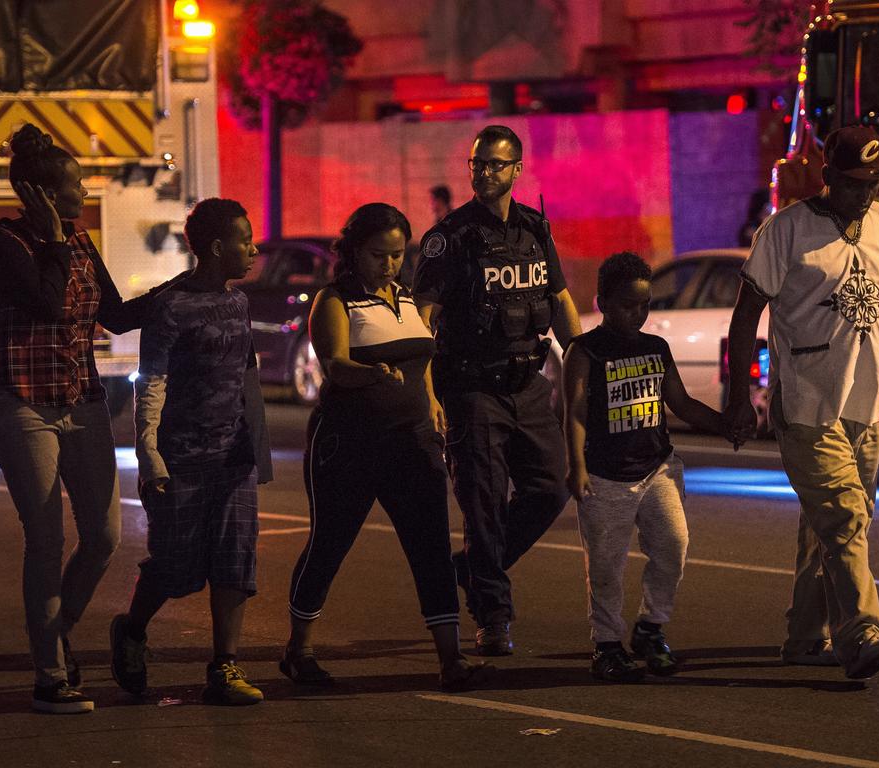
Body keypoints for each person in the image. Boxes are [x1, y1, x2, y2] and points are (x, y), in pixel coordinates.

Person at [0, 123, 180, 714]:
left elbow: (114, 316)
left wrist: (182, 289)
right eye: (73, 184)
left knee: (104, 537)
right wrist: (53, 240)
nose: (85, 191)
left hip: (82, 399)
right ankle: (49, 675)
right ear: (41, 193)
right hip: (22, 401)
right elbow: (45, 299)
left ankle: (56, 631)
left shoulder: (81, 241)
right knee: (45, 539)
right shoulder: (4, 242)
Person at [725, 125, 879, 679]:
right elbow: (748, 311)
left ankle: (803, 636)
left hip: (864, 409)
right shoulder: (787, 230)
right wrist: (738, 397)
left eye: (871, 183)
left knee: (835, 524)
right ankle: (863, 629)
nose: (863, 195)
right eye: (851, 184)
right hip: (806, 406)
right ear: (827, 178)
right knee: (844, 516)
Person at [281, 203, 491, 692]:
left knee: (432, 550)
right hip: (349, 444)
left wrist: (433, 402)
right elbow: (333, 364)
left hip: (413, 445)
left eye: (398, 255)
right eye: (380, 255)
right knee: (329, 545)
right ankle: (298, 649)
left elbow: (424, 361)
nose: (390, 264)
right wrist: (370, 372)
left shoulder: (405, 298)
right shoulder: (335, 301)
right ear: (354, 251)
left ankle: (451, 661)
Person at [413, 125, 582, 656]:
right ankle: (492, 614)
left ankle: (472, 569)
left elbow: (560, 302)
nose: (483, 173)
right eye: (476, 164)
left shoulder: (534, 228)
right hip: (471, 387)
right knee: (483, 504)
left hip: (529, 385)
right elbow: (423, 319)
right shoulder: (450, 237)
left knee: (550, 488)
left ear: (517, 170)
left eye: (495, 165)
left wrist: (587, 361)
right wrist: (430, 396)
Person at [109, 198, 273, 705]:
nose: (253, 248)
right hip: (181, 455)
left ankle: (224, 667)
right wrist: (148, 453)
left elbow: (247, 377)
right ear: (218, 247)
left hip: (233, 455)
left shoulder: (238, 301)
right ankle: (132, 629)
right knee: (177, 568)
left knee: (235, 559)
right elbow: (151, 381)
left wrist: (257, 448)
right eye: (245, 240)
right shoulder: (171, 305)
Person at [564, 252, 730, 682]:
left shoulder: (656, 348)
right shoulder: (585, 351)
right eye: (628, 305)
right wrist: (577, 466)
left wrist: (725, 424)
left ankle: (651, 628)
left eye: (645, 304)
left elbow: (681, 403)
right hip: (604, 474)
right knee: (605, 565)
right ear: (602, 302)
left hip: (657, 468)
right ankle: (606, 646)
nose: (638, 313)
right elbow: (575, 412)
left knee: (674, 545)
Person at [399, 185, 454, 289]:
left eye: (433, 201)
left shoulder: (451, 219)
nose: (431, 205)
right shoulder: (441, 219)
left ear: (440, 201)